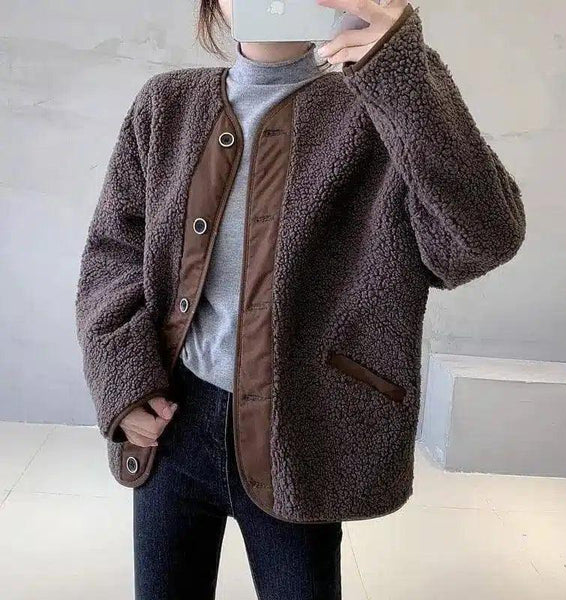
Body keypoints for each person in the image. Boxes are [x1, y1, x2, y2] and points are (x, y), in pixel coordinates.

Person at [75, 0, 526, 598]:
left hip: (302, 430)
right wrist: (124, 384)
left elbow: (481, 240)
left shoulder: (376, 111)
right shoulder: (166, 105)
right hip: (172, 423)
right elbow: (113, 256)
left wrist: (403, 72)